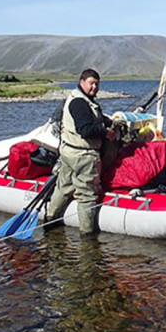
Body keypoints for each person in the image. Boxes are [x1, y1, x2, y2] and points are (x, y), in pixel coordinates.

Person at [45, 68, 117, 234]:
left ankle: (49, 220)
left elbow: (92, 119)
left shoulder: (79, 98)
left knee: (63, 187)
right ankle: (87, 235)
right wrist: (106, 132)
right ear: (82, 82)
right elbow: (85, 129)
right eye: (91, 83)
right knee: (86, 196)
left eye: (97, 84)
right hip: (82, 156)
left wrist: (107, 121)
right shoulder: (80, 103)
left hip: (68, 153)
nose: (94, 87)